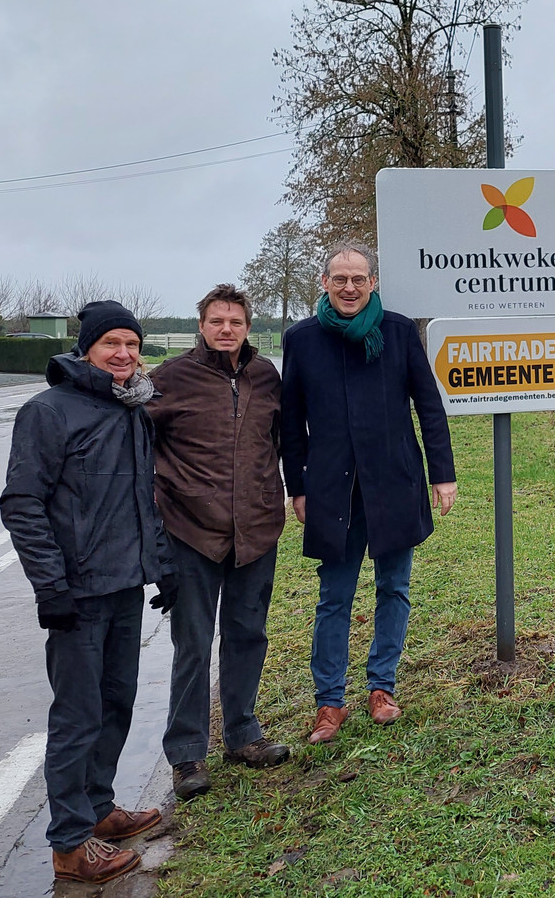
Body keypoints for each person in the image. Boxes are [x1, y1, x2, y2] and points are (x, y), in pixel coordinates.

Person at [0, 301, 174, 884]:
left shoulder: (131, 409)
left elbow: (139, 500)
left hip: (124, 586)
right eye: (110, 345)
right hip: (76, 596)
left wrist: (162, 566)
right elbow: (22, 504)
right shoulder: (48, 412)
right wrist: (50, 588)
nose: (123, 354)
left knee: (115, 704)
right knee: (77, 716)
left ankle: (98, 810)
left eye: (131, 344)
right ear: (86, 350)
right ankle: (70, 843)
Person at [281, 240, 456, 744]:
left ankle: (382, 687)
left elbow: (428, 405)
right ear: (325, 283)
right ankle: (329, 702)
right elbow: (291, 422)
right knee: (333, 597)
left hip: (393, 483)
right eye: (340, 279)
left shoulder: (398, 332)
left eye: (359, 279)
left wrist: (441, 473)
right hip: (332, 488)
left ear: (373, 283)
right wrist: (299, 486)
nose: (350, 287)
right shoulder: (302, 339)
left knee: (393, 588)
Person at [149, 284, 289, 801]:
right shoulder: (169, 379)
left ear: (248, 327)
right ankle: (187, 755)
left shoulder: (265, 376)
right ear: (201, 326)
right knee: (193, 643)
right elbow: (139, 444)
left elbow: (284, 440)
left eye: (235, 321)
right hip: (191, 532)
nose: (226, 329)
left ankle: (243, 734)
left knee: (248, 634)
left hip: (256, 527)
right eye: (216, 321)